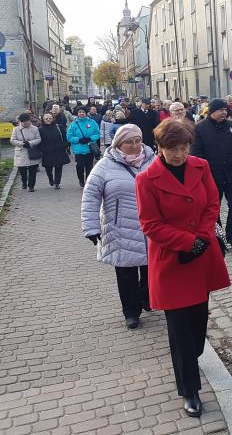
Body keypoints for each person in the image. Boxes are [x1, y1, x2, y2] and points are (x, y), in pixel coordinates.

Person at [136, 119, 230, 418]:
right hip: (172, 260)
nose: (178, 154)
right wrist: (187, 243)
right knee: (180, 332)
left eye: (184, 148)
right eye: (172, 149)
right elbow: (150, 224)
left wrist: (201, 238)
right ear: (159, 148)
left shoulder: (201, 167)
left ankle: (193, 358)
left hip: (201, 256)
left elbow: (212, 204)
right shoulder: (146, 180)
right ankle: (189, 389)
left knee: (198, 323)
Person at [82, 124, 156, 329]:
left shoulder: (154, 160)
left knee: (151, 267)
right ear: (118, 144)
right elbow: (90, 196)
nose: (134, 145)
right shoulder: (105, 166)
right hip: (119, 227)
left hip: (151, 226)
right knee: (126, 273)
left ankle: (148, 298)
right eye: (128, 142)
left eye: (137, 140)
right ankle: (131, 311)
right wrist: (91, 227)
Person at [190, 98, 232, 251]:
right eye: (220, 110)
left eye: (225, 110)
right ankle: (219, 238)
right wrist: (201, 175)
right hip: (211, 177)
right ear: (211, 111)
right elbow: (196, 154)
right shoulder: (199, 128)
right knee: (213, 210)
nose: (224, 112)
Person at [67, 107, 101, 187]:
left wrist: (90, 138)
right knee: (80, 165)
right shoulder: (73, 124)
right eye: (80, 112)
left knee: (89, 166)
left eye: (83, 112)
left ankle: (88, 181)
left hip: (90, 148)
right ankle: (81, 179)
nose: (81, 113)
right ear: (77, 113)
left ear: (86, 113)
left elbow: (97, 134)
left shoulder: (92, 122)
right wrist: (78, 140)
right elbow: (69, 137)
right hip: (78, 149)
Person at [38, 113, 70, 189]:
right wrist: (43, 149)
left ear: (53, 119)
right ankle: (50, 178)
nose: (48, 120)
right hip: (47, 152)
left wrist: (64, 146)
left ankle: (57, 183)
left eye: (50, 118)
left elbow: (66, 137)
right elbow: (39, 141)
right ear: (43, 120)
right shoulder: (40, 129)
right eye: (46, 119)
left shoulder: (59, 127)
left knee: (59, 167)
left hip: (59, 150)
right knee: (48, 168)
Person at [11, 112, 41, 192]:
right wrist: (22, 143)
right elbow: (12, 140)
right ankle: (24, 181)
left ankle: (31, 186)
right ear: (20, 122)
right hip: (21, 152)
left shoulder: (35, 129)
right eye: (23, 122)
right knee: (22, 169)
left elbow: (38, 139)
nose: (25, 123)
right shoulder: (16, 129)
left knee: (33, 170)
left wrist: (30, 143)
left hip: (32, 151)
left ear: (29, 120)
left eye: (27, 121)